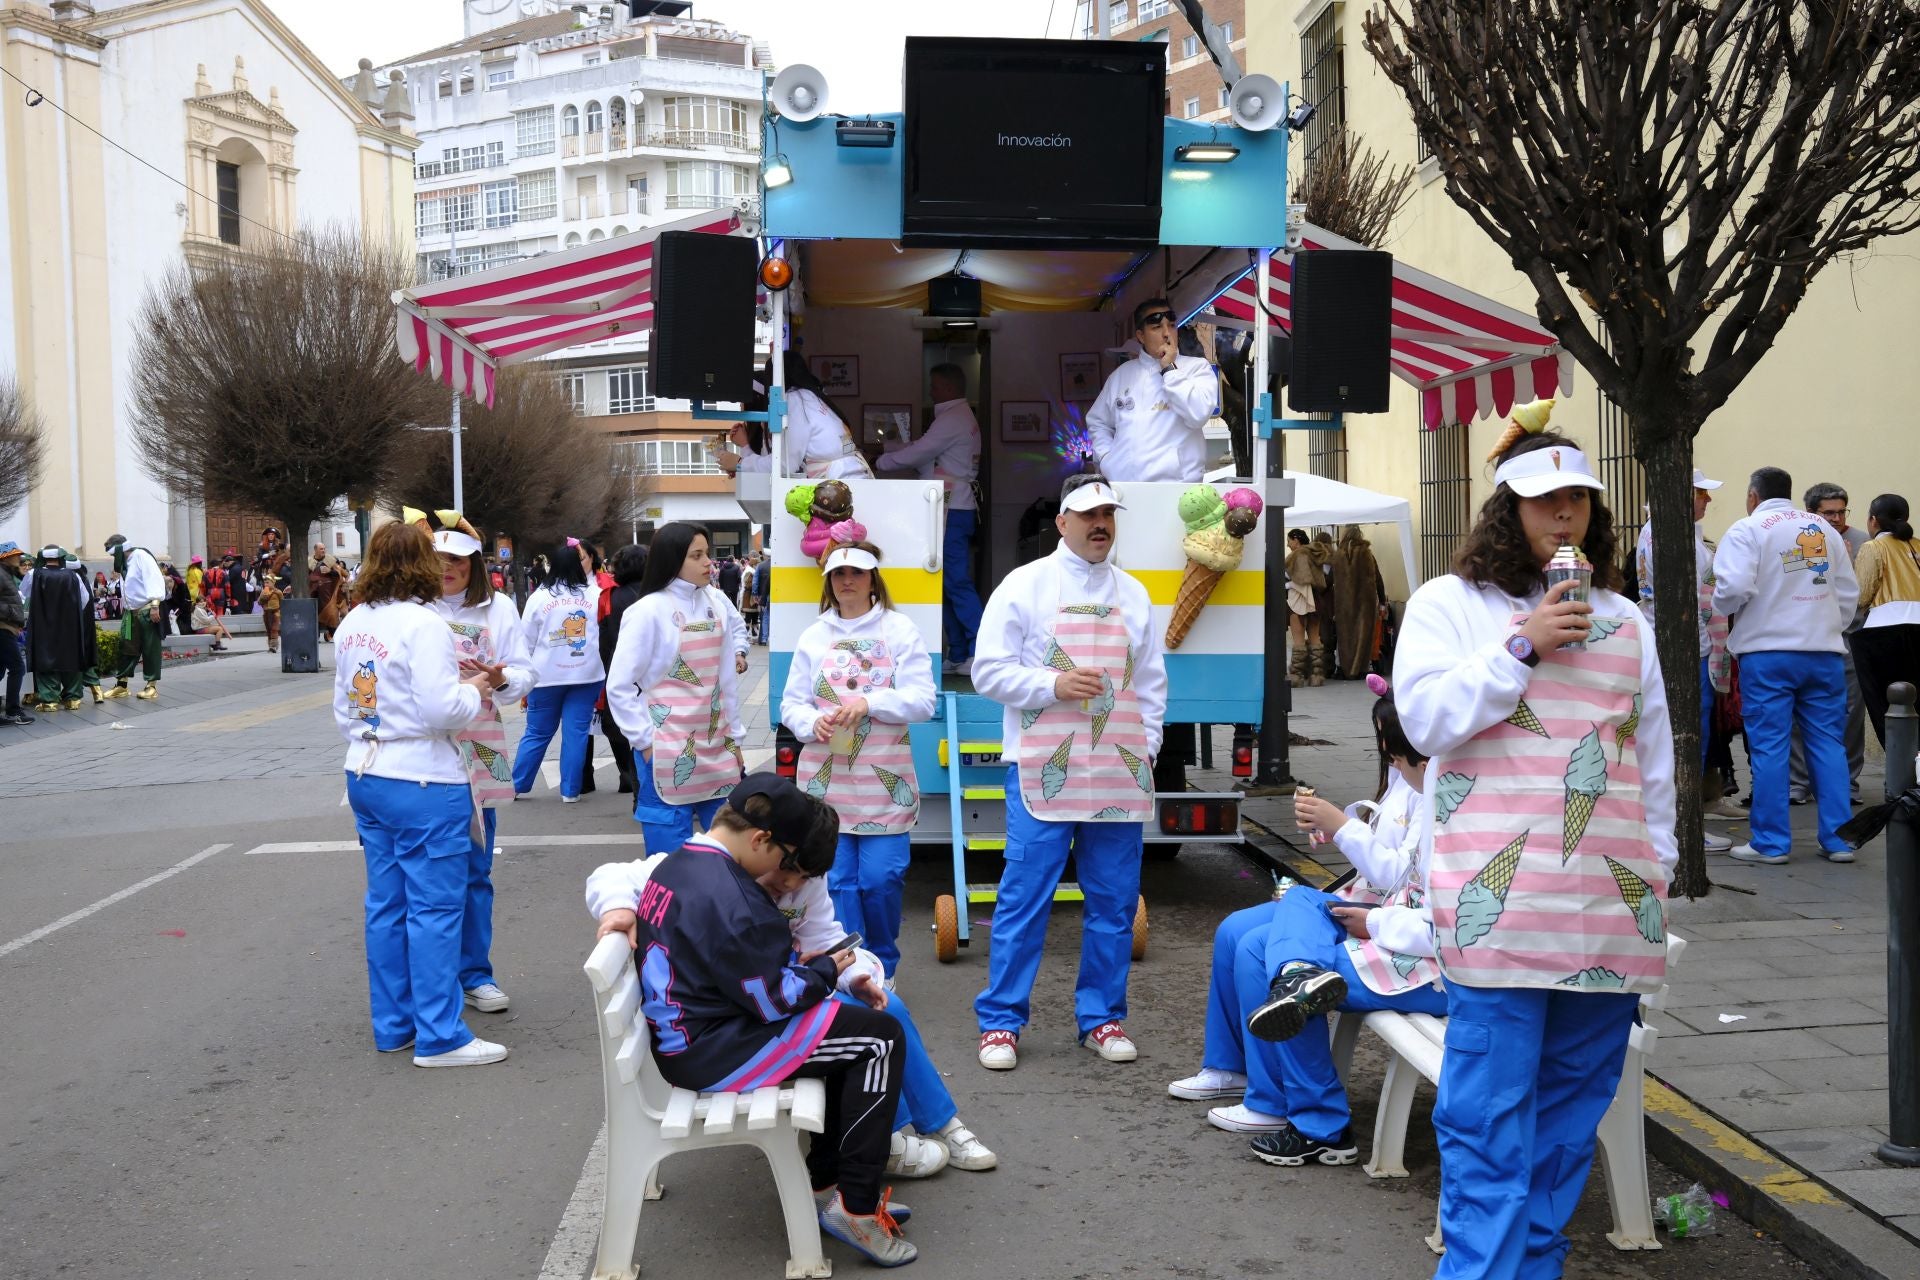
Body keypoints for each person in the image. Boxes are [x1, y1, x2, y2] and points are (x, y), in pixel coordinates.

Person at [1393, 417, 1676, 1280]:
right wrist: (1521, 648)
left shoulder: (1628, 619)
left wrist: (1653, 865)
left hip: (1605, 919)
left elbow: (1651, 757)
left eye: (1578, 501)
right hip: (1500, 921)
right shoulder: (1451, 605)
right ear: (1507, 513)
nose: (1563, 516)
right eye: (1543, 501)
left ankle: (1535, 1268)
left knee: (1562, 1134)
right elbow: (1423, 720)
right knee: (1485, 1124)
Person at [590, 775, 919, 1266]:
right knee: (880, 1040)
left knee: (847, 1031)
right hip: (715, 1050)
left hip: (689, 1037)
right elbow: (772, 1000)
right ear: (762, 840)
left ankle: (830, 1185)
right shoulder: (734, 898)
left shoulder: (677, 865)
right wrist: (827, 969)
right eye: (786, 859)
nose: (787, 875)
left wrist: (816, 976)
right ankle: (857, 1206)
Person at [587, 797, 998, 1183]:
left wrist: (856, 974)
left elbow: (833, 942)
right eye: (785, 872)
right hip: (741, 1019)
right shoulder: (704, 866)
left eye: (802, 879)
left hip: (755, 1006)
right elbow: (607, 874)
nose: (788, 886)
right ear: (764, 845)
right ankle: (883, 1143)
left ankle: (942, 1125)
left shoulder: (801, 883)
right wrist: (619, 906)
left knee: (884, 1005)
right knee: (871, 1028)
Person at [1171, 682, 1438, 1136]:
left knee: (1262, 950)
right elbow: (1396, 870)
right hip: (1385, 916)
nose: (1387, 757)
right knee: (1237, 930)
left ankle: (1289, 1104)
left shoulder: (1437, 792)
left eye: (1392, 751)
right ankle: (1236, 1068)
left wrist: (1344, 832)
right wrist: (1339, 829)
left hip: (1398, 930)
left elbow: (1402, 882)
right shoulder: (1414, 782)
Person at [971, 474, 1168, 1069]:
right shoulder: (1023, 586)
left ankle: (1103, 1019)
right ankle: (1001, 1022)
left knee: (1114, 901)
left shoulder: (1135, 594)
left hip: (1117, 770)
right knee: (1023, 898)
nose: (1100, 523)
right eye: (1087, 514)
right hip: (1041, 767)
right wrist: (1051, 684)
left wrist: (1149, 745)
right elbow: (988, 671)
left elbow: (1151, 682)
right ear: (1062, 522)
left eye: (1108, 513)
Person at [334, 521, 499, 1067]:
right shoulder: (424, 624)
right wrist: (474, 691)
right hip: (424, 777)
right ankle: (440, 1035)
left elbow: (346, 707)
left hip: (366, 771)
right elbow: (441, 710)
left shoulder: (354, 621)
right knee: (434, 910)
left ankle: (395, 1025)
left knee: (386, 905)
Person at [779, 525, 937, 977]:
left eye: (857, 572)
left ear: (873, 579)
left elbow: (923, 700)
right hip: (826, 783)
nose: (847, 580)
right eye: (839, 573)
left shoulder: (899, 629)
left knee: (881, 880)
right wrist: (814, 721)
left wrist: (871, 702)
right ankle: (852, 971)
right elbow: (792, 703)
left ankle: (883, 961)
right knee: (839, 883)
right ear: (829, 581)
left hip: (886, 780)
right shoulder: (814, 635)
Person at [420, 509, 536, 1017]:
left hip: (481, 749)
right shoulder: (410, 609)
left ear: (474, 567)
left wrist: (502, 679)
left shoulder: (499, 609)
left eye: (458, 561)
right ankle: (428, 977)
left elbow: (524, 674)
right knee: (424, 874)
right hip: (421, 752)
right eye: (438, 559)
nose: (447, 568)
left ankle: (474, 973)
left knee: (475, 869)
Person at [1713, 466, 1860, 865]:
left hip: (1768, 652)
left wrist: (1723, 608)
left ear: (1752, 495)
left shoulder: (1747, 529)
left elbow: (1734, 587)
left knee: (1770, 746)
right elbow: (1848, 590)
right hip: (1824, 651)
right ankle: (1840, 839)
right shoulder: (1825, 529)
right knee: (1829, 743)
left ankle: (1771, 842)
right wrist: (1828, 626)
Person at [606, 522, 748, 852]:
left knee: (723, 855)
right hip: (664, 748)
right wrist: (644, 742)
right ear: (672, 560)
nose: (707, 563)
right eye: (696, 556)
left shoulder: (716, 601)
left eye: (707, 554)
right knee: (667, 861)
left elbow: (725, 681)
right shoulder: (646, 611)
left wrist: (736, 739)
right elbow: (620, 685)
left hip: (717, 745)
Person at [1634, 467, 1735, 852]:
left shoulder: (1663, 530)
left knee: (1686, 735)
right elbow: (1694, 592)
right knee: (1688, 736)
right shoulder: (1669, 534)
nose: (1708, 500)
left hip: (1687, 642)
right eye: (1700, 493)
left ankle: (1677, 823)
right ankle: (1681, 826)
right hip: (1686, 646)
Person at [877, 363, 986, 674]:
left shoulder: (953, 417)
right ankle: (960, 652)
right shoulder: (957, 416)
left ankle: (979, 651)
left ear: (949, 389)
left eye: (935, 386)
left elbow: (920, 452)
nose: (930, 391)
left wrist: (881, 460)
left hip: (953, 507)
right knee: (945, 582)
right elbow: (923, 449)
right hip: (950, 506)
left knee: (956, 581)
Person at [1787, 482, 1870, 802]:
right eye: (1828, 513)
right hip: (1807, 637)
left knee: (1850, 714)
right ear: (1811, 513)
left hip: (1850, 639)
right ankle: (1799, 782)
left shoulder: (1863, 543)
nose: (1836, 519)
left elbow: (1864, 592)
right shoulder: (1798, 540)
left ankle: (1847, 782)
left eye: (1841, 512)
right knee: (1798, 715)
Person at [1087, 297, 1218, 484]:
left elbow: (1198, 415)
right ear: (1140, 336)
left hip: (1177, 486)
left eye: (1171, 325)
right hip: (1124, 487)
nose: (1167, 333)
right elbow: (1097, 422)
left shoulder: (1197, 368)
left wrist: (1170, 370)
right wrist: (1108, 458)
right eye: (1156, 327)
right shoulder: (1121, 375)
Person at [512, 539, 603, 804]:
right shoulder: (595, 594)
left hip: (545, 676)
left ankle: (517, 785)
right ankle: (570, 791)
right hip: (587, 674)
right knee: (576, 732)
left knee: (538, 732)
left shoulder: (539, 597)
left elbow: (525, 639)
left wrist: (521, 672)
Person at [1847, 493, 1920, 749]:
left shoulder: (1873, 547)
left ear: (1873, 520)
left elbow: (1862, 595)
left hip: (1884, 633)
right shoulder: (1918, 545)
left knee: (1886, 706)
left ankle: (1903, 773)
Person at [597, 545, 649, 794]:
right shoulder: (658, 594)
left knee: (627, 730)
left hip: (622, 669)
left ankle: (633, 781)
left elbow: (604, 640)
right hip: (655, 674)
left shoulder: (611, 596)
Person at [775, 353, 874, 480]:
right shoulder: (815, 396)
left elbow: (787, 463)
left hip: (838, 483)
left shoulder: (796, 399)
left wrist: (746, 458)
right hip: (855, 474)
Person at [103, 534, 164, 701]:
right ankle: (121, 685)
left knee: (150, 648)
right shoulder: (126, 563)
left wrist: (155, 605)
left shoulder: (141, 557)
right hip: (131, 612)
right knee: (126, 646)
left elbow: (154, 579)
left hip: (146, 610)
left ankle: (151, 686)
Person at [1332, 525, 1386, 680]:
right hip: (1365, 601)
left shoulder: (1338, 555)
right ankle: (1360, 669)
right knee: (1363, 634)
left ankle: (1345, 669)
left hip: (1343, 602)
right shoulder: (1366, 553)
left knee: (1345, 635)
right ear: (1359, 535)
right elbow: (1377, 578)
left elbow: (1330, 580)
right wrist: (1382, 600)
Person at [1284, 529, 1323, 687]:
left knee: (1299, 640)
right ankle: (1317, 675)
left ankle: (1297, 676)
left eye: (1289, 540)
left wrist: (1287, 584)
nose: (1287, 544)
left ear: (1296, 540)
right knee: (1315, 639)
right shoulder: (1315, 554)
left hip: (1297, 601)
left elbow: (1301, 579)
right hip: (1317, 602)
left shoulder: (1298, 555)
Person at [0, 543, 29, 724]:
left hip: (6, 628)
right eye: (15, 555)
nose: (19, 558)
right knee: (18, 668)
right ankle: (13, 711)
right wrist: (11, 613)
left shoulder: (7, 574)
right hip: (3, 628)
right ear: (5, 557)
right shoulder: (1, 574)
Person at [312, 543, 349, 642]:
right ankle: (315, 637)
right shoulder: (309, 561)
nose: (323, 550)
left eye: (324, 549)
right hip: (313, 592)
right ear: (315, 550)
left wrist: (329, 571)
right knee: (314, 614)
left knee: (331, 614)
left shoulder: (330, 561)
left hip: (328, 593)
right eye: (321, 549)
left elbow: (340, 574)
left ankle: (336, 636)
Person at [258, 560, 285, 654]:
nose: (266, 584)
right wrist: (264, 596)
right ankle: (270, 645)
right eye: (265, 582)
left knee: (274, 629)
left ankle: (274, 646)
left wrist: (282, 611)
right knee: (269, 629)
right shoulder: (263, 592)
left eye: (268, 582)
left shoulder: (278, 592)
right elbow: (259, 602)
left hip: (276, 613)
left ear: (273, 583)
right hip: (266, 613)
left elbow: (283, 602)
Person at [752, 553, 772, 646]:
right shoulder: (778, 566)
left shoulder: (761, 566)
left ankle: (764, 639)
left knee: (765, 617)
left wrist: (755, 594)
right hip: (777, 595)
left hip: (764, 595)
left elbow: (755, 581)